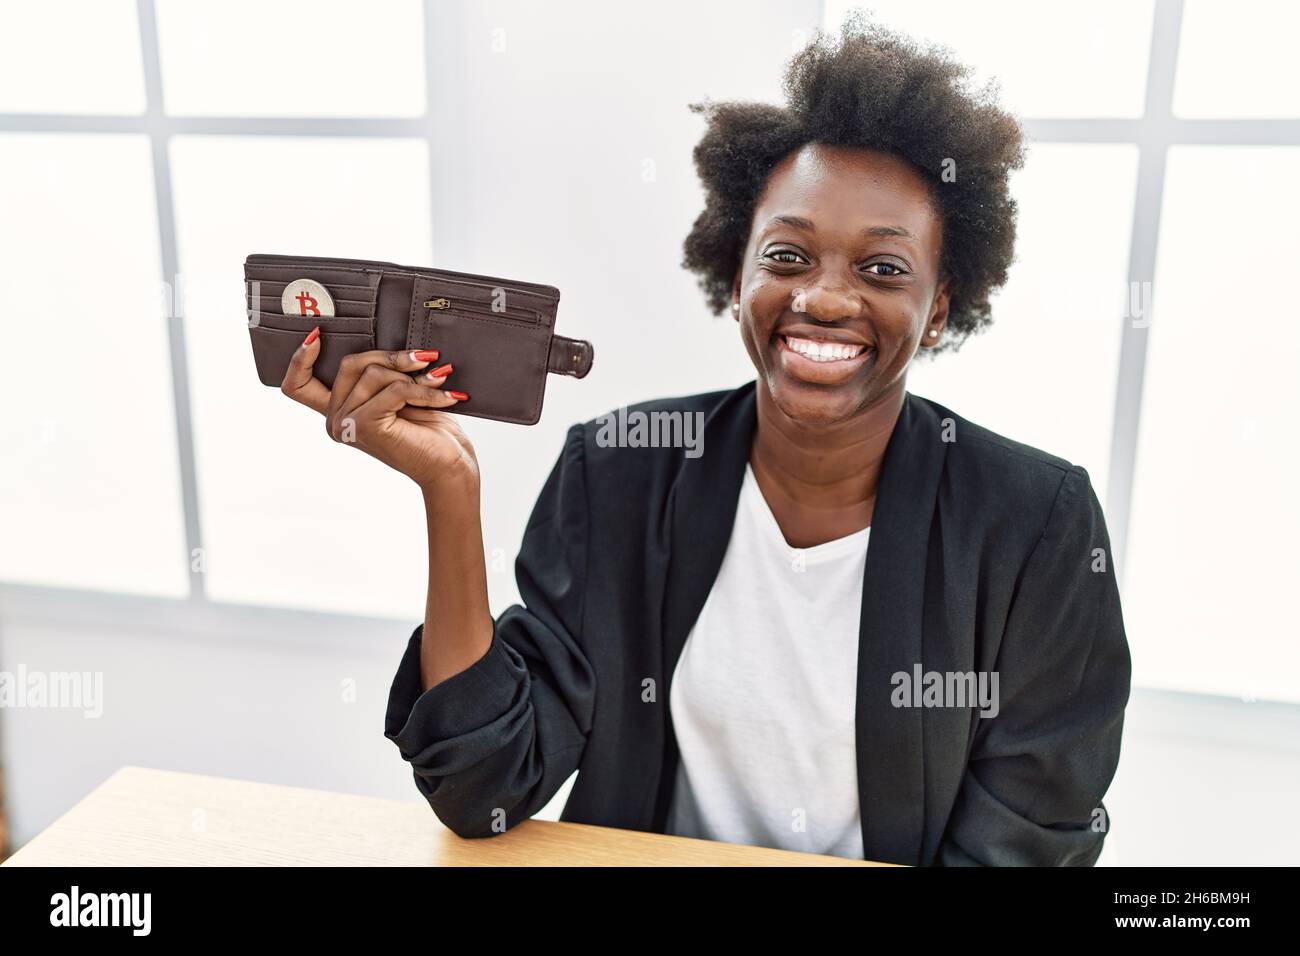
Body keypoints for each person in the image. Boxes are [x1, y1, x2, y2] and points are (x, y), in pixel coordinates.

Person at [279, 14, 1131, 866]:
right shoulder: (619, 472)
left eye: (882, 269)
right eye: (788, 257)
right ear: (737, 278)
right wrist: (451, 487)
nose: (826, 300)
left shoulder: (1035, 526)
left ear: (939, 308)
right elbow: (483, 789)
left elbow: (1026, 848)